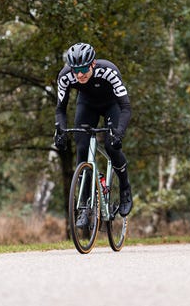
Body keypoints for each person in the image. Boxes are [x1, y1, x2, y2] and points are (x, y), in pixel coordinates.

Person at [54, 42, 132, 227]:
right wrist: (60, 131)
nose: (79, 74)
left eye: (83, 69)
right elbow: (60, 110)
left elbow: (126, 107)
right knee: (81, 148)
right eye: (75, 69)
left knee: (111, 146)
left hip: (112, 104)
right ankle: (84, 206)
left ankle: (125, 188)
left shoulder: (109, 71)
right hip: (87, 105)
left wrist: (119, 134)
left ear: (93, 64)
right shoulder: (66, 77)